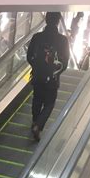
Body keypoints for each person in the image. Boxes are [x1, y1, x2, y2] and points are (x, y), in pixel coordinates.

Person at [27, 12, 70, 141]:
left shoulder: (37, 37)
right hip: (52, 77)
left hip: (38, 75)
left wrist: (37, 67)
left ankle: (35, 121)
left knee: (37, 99)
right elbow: (65, 62)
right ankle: (38, 125)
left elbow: (29, 57)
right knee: (49, 103)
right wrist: (55, 73)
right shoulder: (63, 40)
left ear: (46, 20)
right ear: (58, 21)